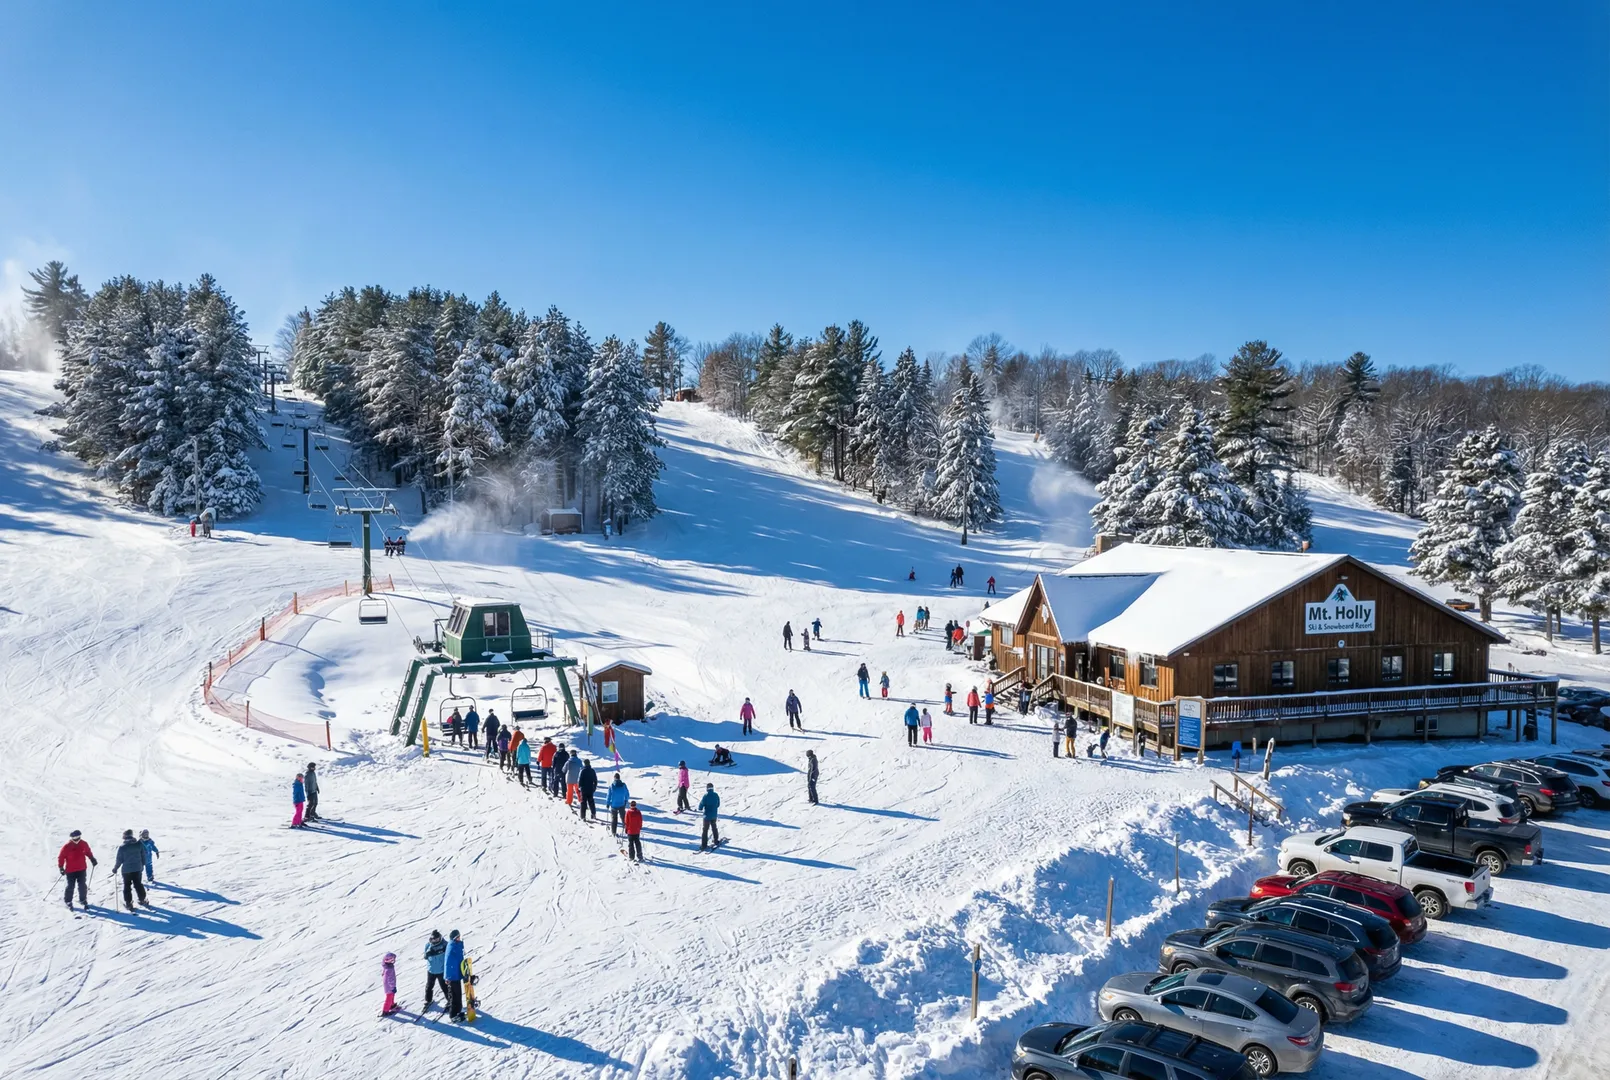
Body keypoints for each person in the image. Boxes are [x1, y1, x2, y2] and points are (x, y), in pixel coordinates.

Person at [58, 829, 97, 910]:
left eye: (78, 837)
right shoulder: (67, 846)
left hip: (81, 869)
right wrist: (61, 867)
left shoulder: (84, 844)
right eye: (74, 837)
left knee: (82, 885)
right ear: (71, 838)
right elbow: (61, 857)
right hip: (70, 870)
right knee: (70, 886)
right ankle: (68, 901)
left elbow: (88, 852)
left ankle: (83, 899)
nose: (76, 839)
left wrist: (92, 859)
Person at [112, 829, 150, 911]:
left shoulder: (122, 847)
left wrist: (115, 868)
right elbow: (143, 855)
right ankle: (142, 899)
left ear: (125, 837)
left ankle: (128, 903)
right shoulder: (139, 845)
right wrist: (143, 864)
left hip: (126, 871)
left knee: (127, 886)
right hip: (137, 869)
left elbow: (119, 860)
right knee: (138, 884)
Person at [424, 930, 450, 1012]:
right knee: (429, 986)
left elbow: (449, 955)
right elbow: (425, 956)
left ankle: (450, 1001)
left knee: (444, 987)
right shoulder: (428, 945)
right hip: (431, 970)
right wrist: (428, 954)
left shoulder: (445, 945)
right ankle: (428, 1000)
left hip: (441, 971)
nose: (435, 941)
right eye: (433, 939)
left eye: (437, 939)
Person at [445, 930, 466, 1020]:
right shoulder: (452, 947)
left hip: (456, 975)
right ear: (454, 938)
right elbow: (448, 963)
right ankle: (453, 1015)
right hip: (452, 976)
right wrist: (448, 977)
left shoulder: (456, 945)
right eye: (458, 937)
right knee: (454, 996)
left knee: (458, 995)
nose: (459, 938)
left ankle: (458, 1011)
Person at [699, 783, 722, 850]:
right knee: (714, 827)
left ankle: (704, 845)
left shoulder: (706, 796)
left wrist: (701, 807)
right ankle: (716, 840)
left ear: (707, 788)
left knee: (705, 830)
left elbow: (701, 805)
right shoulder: (716, 795)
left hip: (707, 816)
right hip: (714, 815)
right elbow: (718, 804)